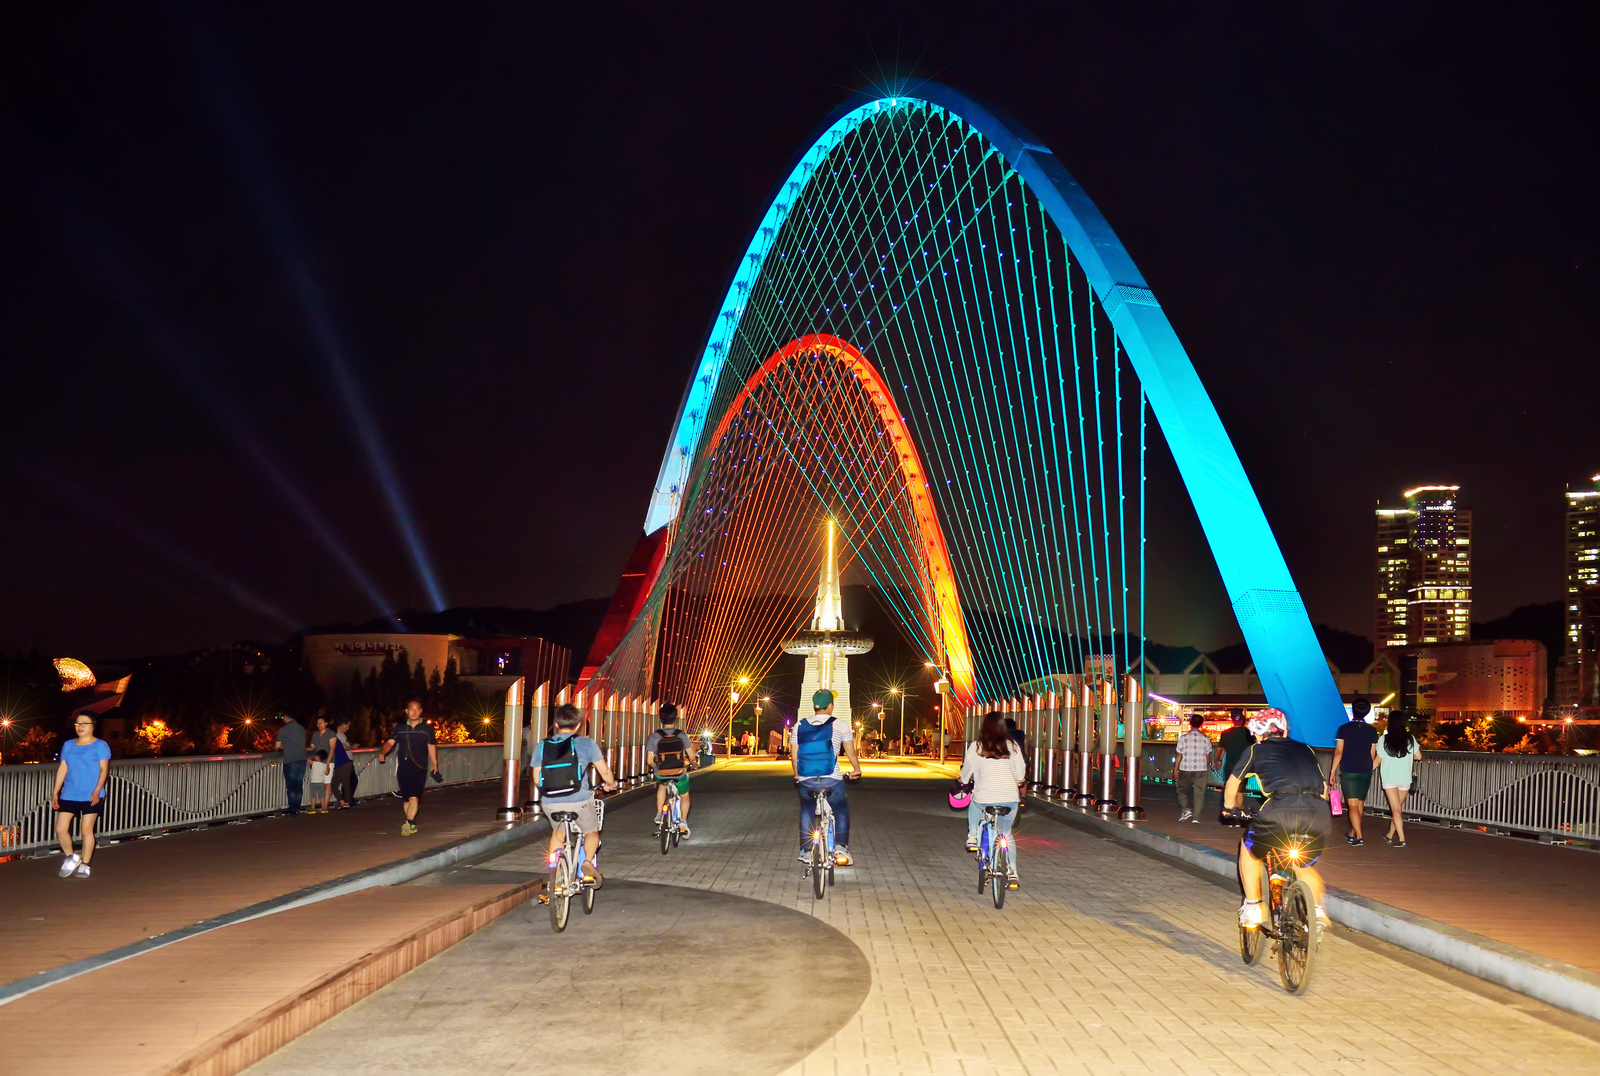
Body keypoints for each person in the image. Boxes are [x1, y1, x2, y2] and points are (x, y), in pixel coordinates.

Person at [1224, 708, 1331, 930]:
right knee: (1303, 865)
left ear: (1257, 733)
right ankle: (1317, 912)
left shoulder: (1256, 750)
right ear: (1284, 731)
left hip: (1279, 810)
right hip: (1318, 813)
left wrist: (1229, 808)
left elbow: (1234, 782)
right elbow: (1324, 788)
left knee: (1249, 849)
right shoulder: (1306, 749)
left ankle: (1253, 907)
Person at [532, 703, 618, 883]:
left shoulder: (542, 746)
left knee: (558, 832)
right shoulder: (586, 743)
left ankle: (555, 873)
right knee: (591, 832)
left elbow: (536, 778)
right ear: (578, 725)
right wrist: (610, 784)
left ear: (556, 724)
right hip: (580, 800)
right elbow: (604, 772)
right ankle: (587, 862)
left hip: (550, 802)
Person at [792, 689, 862, 866]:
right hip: (832, 778)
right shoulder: (840, 725)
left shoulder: (799, 725)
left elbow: (794, 755)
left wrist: (797, 774)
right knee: (841, 811)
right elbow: (851, 752)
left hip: (806, 778)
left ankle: (806, 851)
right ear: (831, 705)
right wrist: (856, 770)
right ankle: (841, 847)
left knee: (807, 810)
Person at [959, 711, 1026, 887]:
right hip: (1010, 799)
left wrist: (963, 780)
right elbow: (1020, 774)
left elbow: (966, 773)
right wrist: (1019, 781)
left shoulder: (976, 747)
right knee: (1006, 833)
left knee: (975, 802)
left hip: (984, 798)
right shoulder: (1013, 747)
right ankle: (1012, 872)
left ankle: (973, 835)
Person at [50, 713, 111, 879]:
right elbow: (63, 768)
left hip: (91, 793)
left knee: (86, 830)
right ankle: (71, 857)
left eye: (85, 723)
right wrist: (55, 792)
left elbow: (104, 769)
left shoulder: (100, 745)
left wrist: (97, 790)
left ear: (93, 726)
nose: (80, 726)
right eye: (77, 723)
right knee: (60, 829)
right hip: (70, 792)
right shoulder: (68, 745)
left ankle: (85, 864)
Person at [377, 699, 439, 836]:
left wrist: (435, 763)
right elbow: (390, 742)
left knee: (414, 797)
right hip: (403, 767)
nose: (414, 712)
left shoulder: (427, 729)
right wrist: (383, 752)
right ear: (407, 711)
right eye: (411, 709)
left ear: (421, 711)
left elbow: (431, 746)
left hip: (420, 767)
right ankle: (410, 823)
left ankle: (409, 822)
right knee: (406, 799)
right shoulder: (400, 728)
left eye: (417, 709)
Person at [1329, 697, 1378, 845]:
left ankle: (1359, 836)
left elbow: (1338, 752)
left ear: (1353, 710)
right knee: (1360, 804)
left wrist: (1332, 772)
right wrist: (1368, 767)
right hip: (1365, 770)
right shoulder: (1372, 731)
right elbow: (1372, 754)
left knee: (1352, 805)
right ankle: (1352, 833)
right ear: (1367, 712)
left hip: (1349, 770)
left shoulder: (1344, 729)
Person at [645, 703, 695, 838]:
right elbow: (691, 756)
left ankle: (659, 813)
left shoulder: (655, 736)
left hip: (662, 773)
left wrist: (657, 767)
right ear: (675, 718)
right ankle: (683, 821)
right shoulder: (681, 735)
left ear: (661, 718)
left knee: (662, 786)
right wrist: (694, 763)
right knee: (685, 796)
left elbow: (649, 760)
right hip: (679, 773)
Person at [1375, 712, 1421, 847]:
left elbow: (1377, 761)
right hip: (1405, 778)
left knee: (1396, 809)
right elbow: (1419, 756)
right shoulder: (1410, 739)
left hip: (1390, 778)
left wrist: (1365, 770)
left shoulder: (1384, 739)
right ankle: (1390, 835)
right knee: (1398, 809)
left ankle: (1402, 839)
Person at [1173, 715, 1211, 823]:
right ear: (1201, 724)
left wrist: (1176, 768)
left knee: (1182, 790)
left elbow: (1179, 755)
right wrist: (1205, 767)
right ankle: (1196, 817)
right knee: (1199, 792)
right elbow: (1207, 757)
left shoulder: (1183, 738)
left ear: (1190, 723)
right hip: (1201, 768)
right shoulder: (1205, 739)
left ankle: (1185, 809)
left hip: (1186, 767)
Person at [275, 713, 309, 817]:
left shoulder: (284, 729)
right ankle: (297, 808)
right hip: (302, 760)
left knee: (291, 786)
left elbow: (277, 746)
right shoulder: (301, 728)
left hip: (290, 760)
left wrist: (283, 747)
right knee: (298, 785)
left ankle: (292, 809)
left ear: (286, 717)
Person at [1213, 711, 1252, 794]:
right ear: (1242, 720)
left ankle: (1229, 801)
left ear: (1232, 719)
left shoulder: (1225, 733)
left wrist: (1217, 760)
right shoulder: (1248, 733)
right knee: (1240, 791)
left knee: (1229, 788)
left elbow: (1220, 749)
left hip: (1230, 764)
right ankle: (1239, 802)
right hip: (1244, 765)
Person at [329, 717, 357, 808]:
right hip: (344, 762)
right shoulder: (337, 737)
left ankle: (344, 802)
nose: (348, 728)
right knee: (346, 783)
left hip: (342, 763)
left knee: (337, 784)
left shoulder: (336, 738)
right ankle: (346, 802)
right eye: (347, 726)